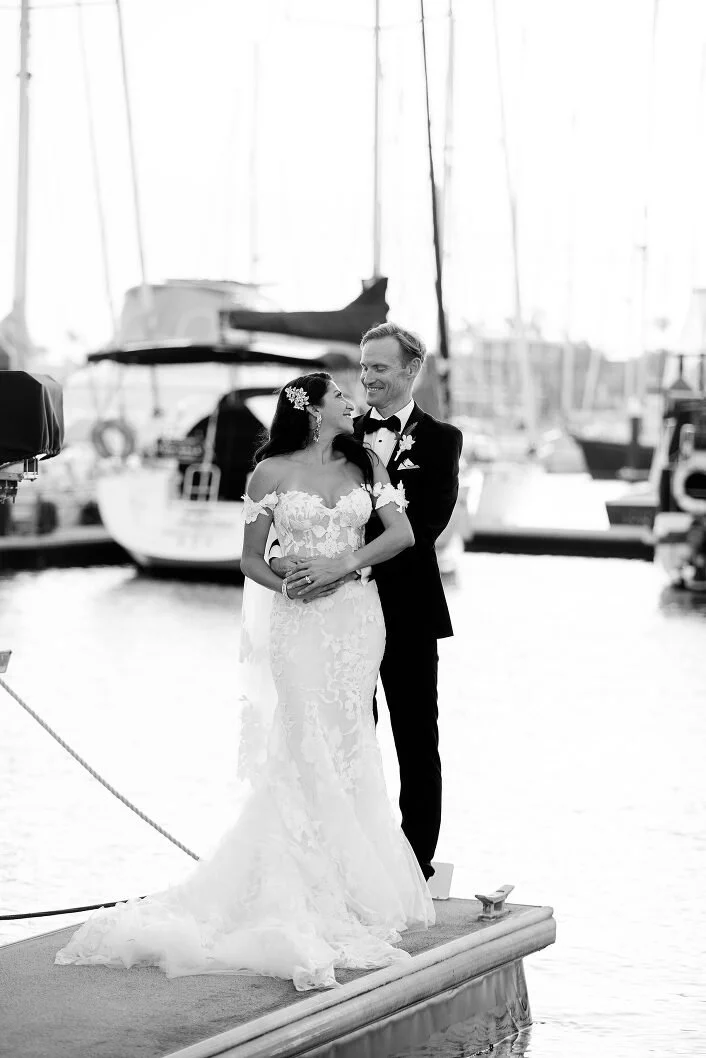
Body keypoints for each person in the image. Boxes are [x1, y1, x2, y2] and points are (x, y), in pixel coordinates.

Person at [55, 371, 434, 991]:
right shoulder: (269, 474)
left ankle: (354, 882)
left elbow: (402, 534)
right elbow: (250, 559)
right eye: (339, 395)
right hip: (299, 620)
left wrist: (346, 561)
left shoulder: (365, 461)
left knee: (351, 738)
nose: (351, 401)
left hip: (357, 619)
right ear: (312, 410)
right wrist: (290, 581)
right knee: (304, 736)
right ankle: (299, 879)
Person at [281, 323, 463, 883]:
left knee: (415, 736)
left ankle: (415, 866)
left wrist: (347, 563)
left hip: (407, 610)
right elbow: (305, 499)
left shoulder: (441, 440)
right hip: (339, 614)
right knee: (347, 734)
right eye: (363, 368)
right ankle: (348, 859)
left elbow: (426, 526)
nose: (367, 378)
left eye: (379, 368)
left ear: (411, 370)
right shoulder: (340, 434)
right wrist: (310, 562)